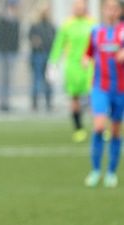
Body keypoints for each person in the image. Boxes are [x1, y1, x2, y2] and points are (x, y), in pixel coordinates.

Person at [83, 0, 123, 188]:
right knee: (99, 126)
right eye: (108, 8)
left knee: (115, 130)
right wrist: (85, 60)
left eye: (115, 8)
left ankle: (111, 172)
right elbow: (88, 53)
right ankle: (95, 170)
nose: (111, 12)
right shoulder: (95, 32)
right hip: (100, 86)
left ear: (120, 11)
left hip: (120, 88)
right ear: (103, 10)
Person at [48, 0, 94, 142]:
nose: (79, 9)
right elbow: (58, 45)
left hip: (89, 65)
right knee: (74, 97)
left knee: (94, 96)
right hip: (73, 66)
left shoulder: (92, 24)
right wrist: (53, 63)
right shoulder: (67, 25)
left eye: (81, 7)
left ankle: (99, 127)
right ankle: (78, 128)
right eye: (77, 7)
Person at [28, 3, 56, 112]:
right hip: (38, 55)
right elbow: (31, 39)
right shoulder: (35, 26)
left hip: (49, 55)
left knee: (48, 80)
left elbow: (55, 39)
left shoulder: (51, 26)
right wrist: (36, 43)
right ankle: (35, 103)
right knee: (37, 80)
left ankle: (48, 102)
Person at [0, 0, 20, 112]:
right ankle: (3, 102)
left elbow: (17, 37)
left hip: (12, 53)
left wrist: (15, 49)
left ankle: (7, 102)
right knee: (3, 79)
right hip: (4, 53)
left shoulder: (16, 21)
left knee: (9, 79)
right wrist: (2, 49)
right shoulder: (2, 20)